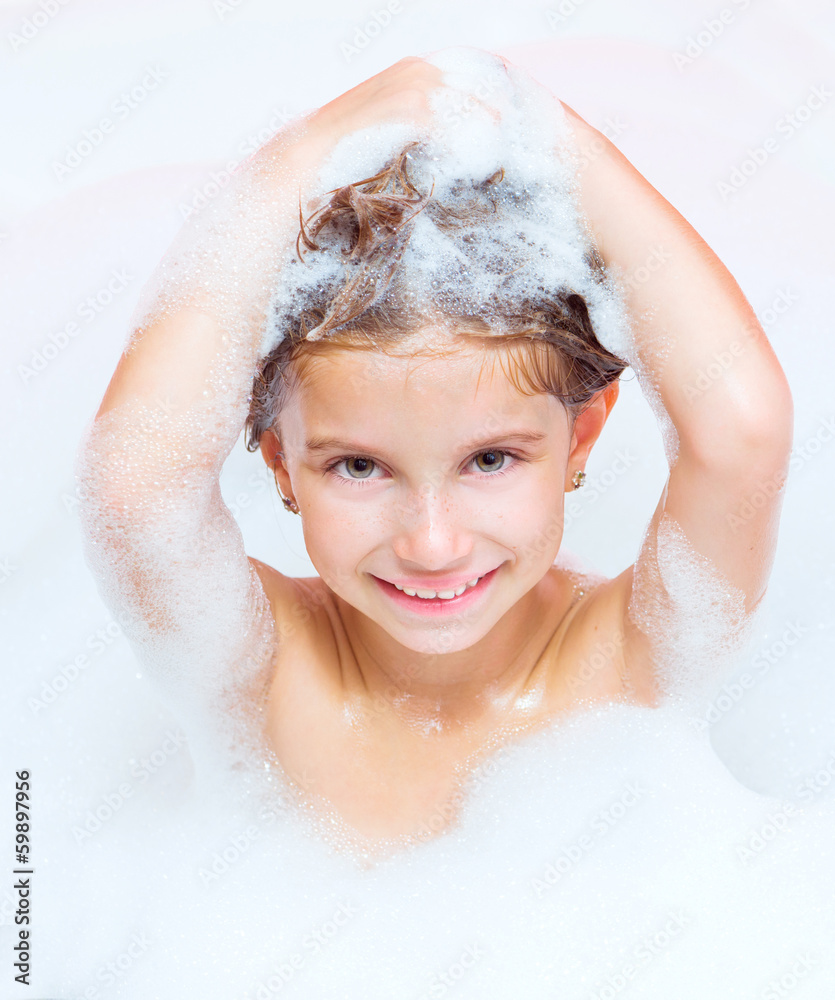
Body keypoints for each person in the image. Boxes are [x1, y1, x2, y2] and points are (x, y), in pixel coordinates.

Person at [76, 50, 792, 855]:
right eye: (358, 466)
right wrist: (310, 151)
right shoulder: (266, 673)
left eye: (490, 461)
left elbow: (743, 435)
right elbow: (134, 491)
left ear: (580, 437)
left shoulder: (633, 664)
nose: (432, 543)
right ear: (280, 461)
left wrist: (557, 139)